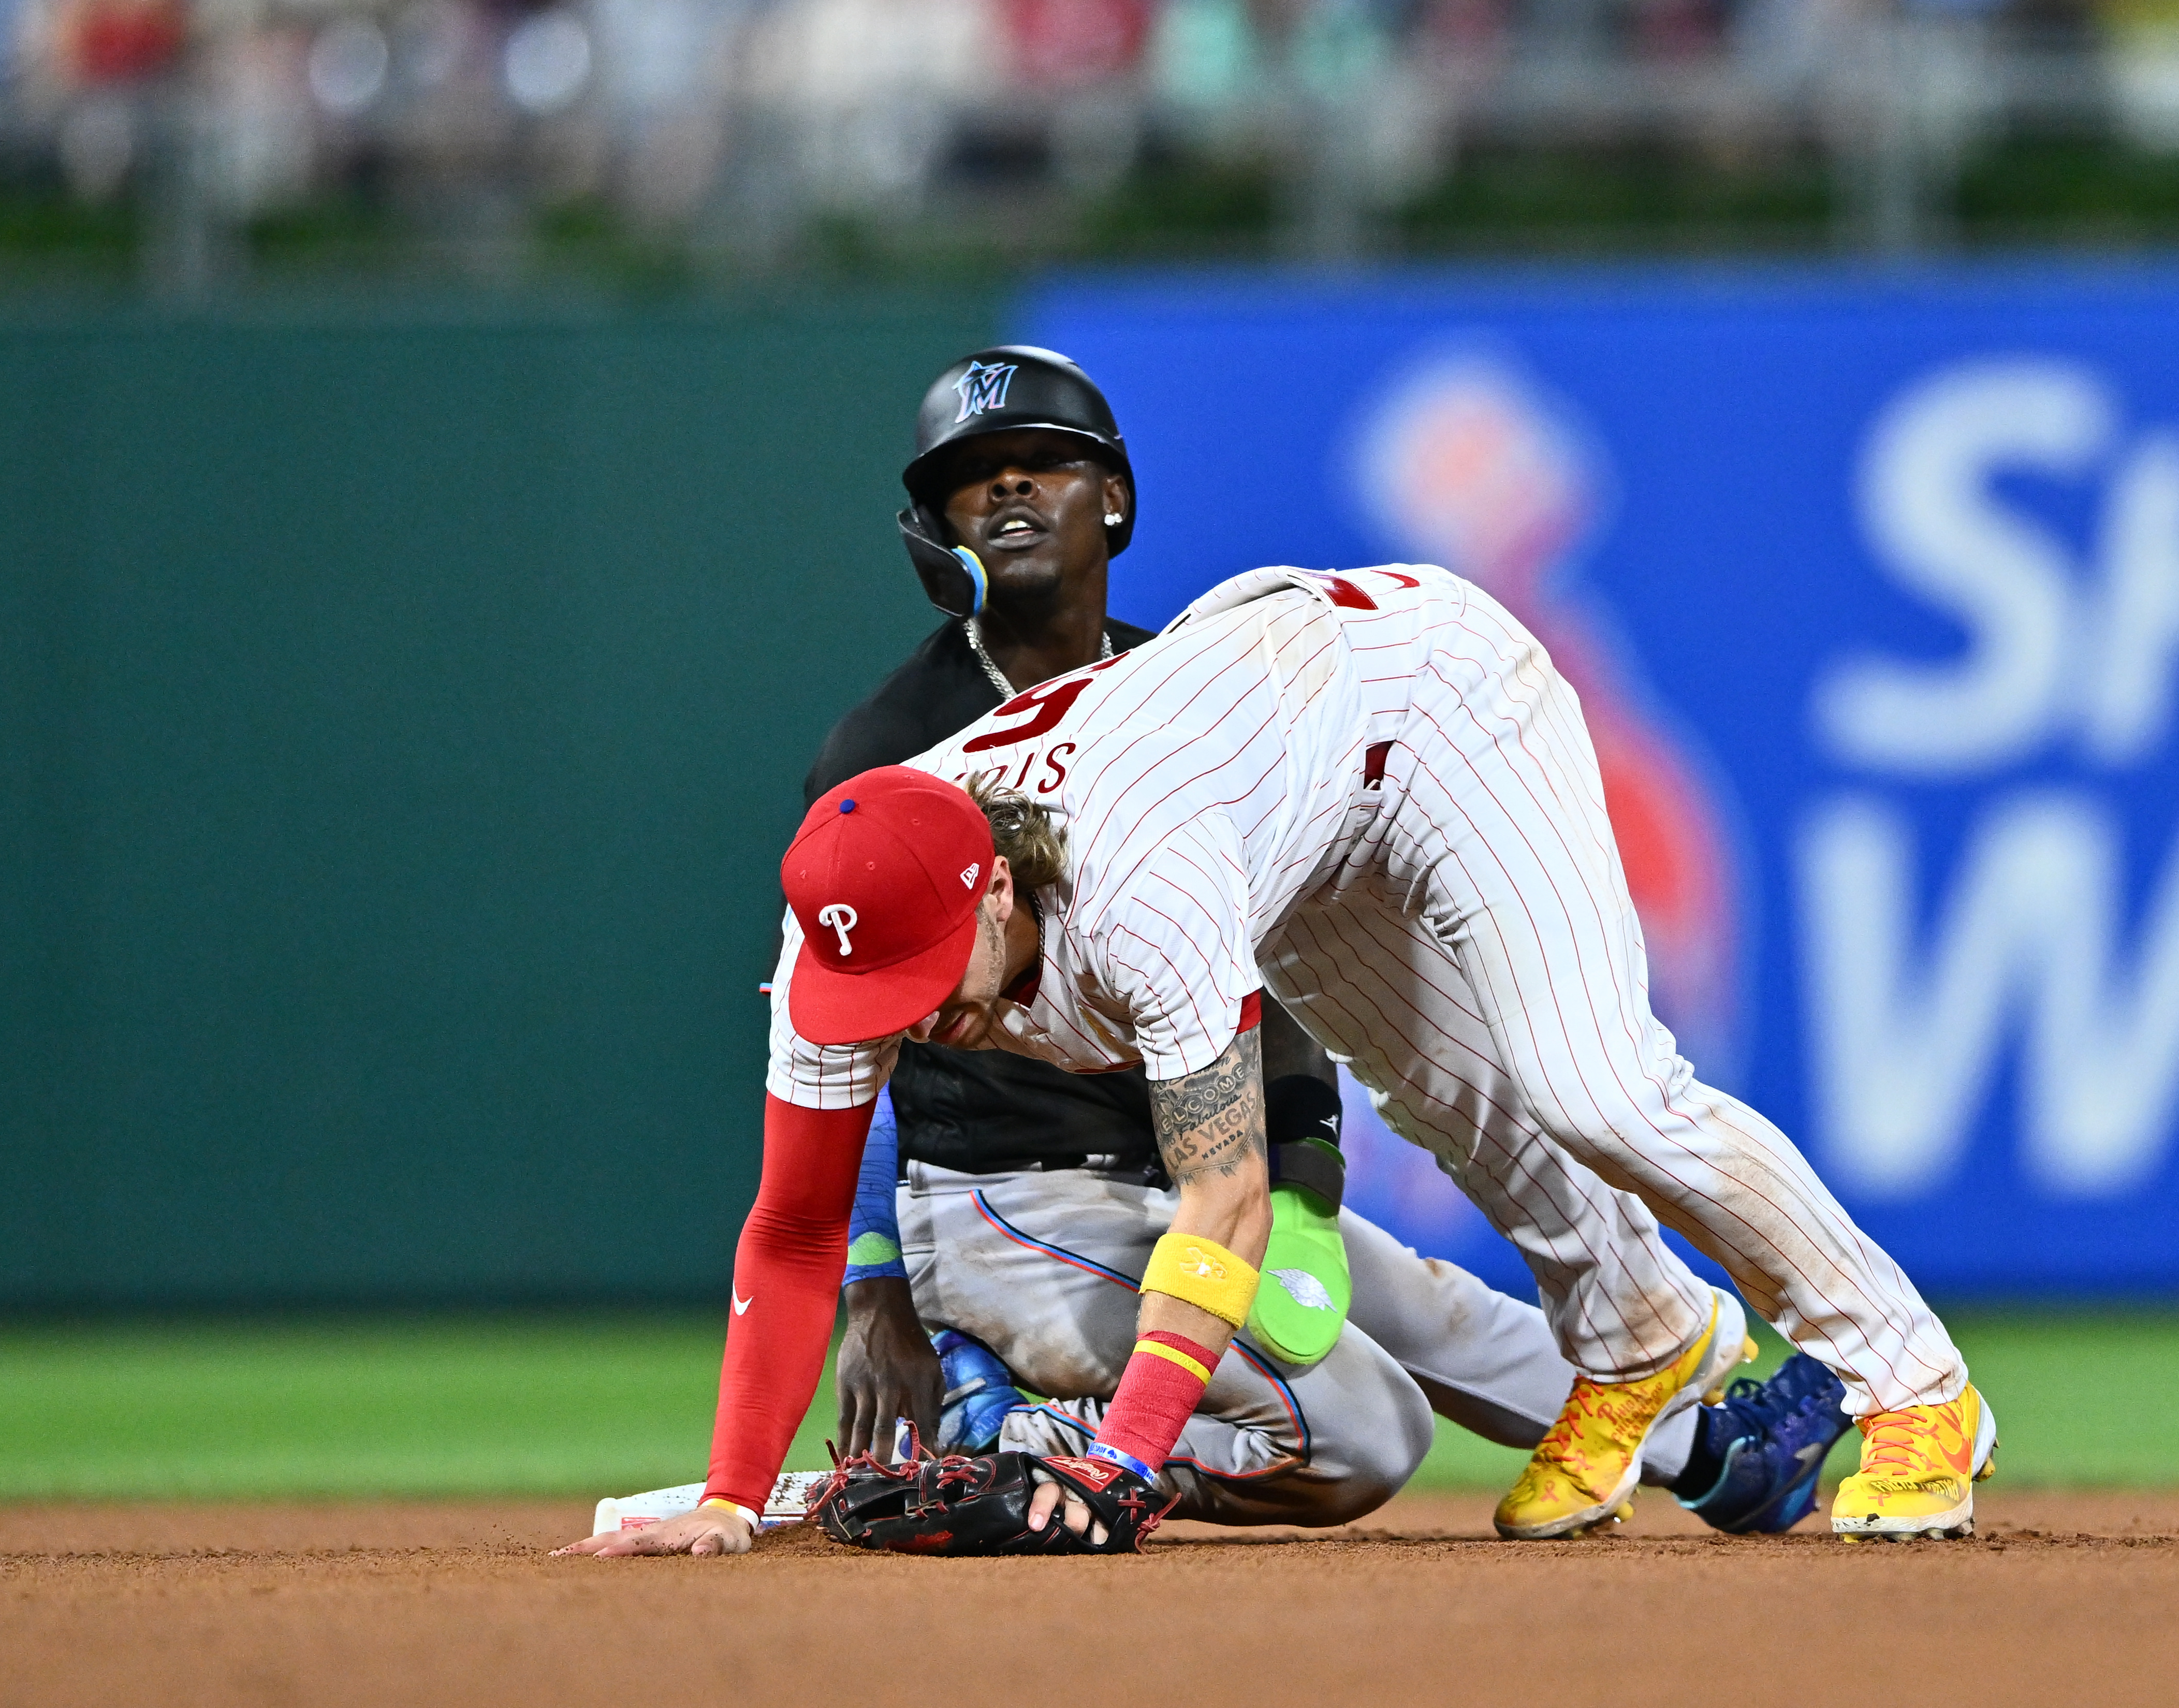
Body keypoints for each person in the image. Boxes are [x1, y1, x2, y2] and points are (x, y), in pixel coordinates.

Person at [574, 358, 1993, 1564]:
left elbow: (1224, 1188)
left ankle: (1913, 1376)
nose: (923, 1010)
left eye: (941, 964)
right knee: (1446, 1096)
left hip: (1429, 702)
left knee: (1597, 1085)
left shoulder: (1136, 868)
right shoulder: (853, 889)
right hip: (1294, 801)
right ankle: (1638, 1337)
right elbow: (794, 1227)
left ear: (997, 877)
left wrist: (1121, 1464)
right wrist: (727, 1492)